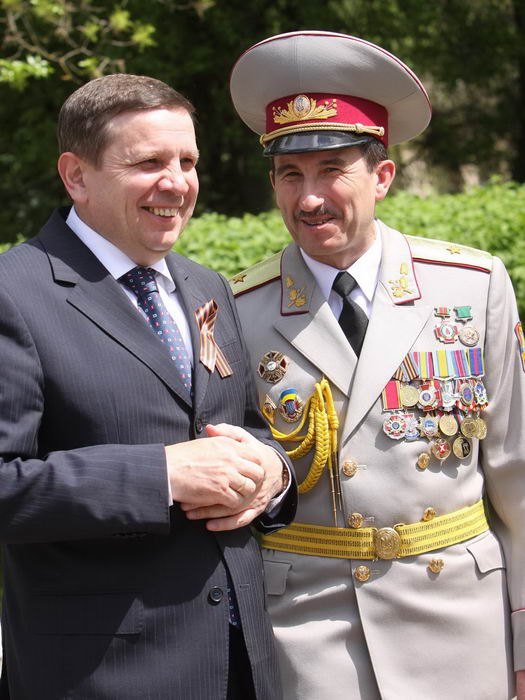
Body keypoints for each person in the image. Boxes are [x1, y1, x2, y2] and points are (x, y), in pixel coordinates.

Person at [229, 30, 525, 700]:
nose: (309, 199)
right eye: (290, 174)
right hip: (309, 633)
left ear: (382, 176)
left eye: (332, 170)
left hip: (459, 624)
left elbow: (515, 471)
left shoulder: (470, 284)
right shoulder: (238, 309)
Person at [0, 73, 297, 700]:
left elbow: (246, 427)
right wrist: (161, 476)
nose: (177, 183)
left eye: (188, 161)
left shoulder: (205, 286)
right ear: (76, 176)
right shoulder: (14, 293)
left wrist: (272, 474)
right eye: (148, 163)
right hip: (103, 675)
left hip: (240, 665)